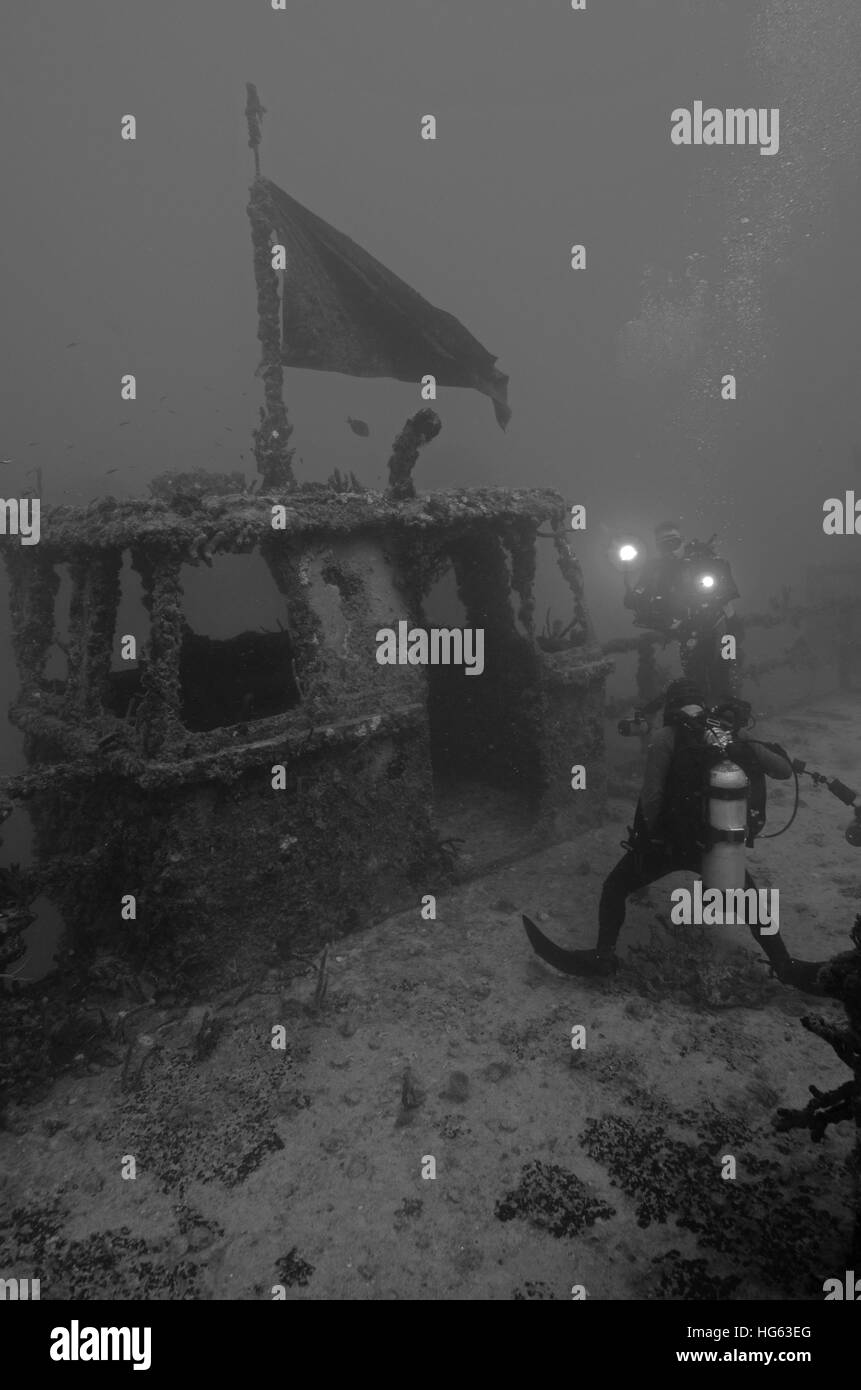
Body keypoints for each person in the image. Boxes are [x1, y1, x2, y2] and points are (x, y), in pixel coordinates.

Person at [523, 679, 827, 991]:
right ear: (702, 703)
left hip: (668, 844)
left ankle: (603, 955)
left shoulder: (665, 736)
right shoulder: (728, 731)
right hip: (716, 844)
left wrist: (650, 839)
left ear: (671, 706)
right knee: (749, 900)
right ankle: (785, 965)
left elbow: (652, 797)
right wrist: (748, 741)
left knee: (615, 887)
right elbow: (782, 770)